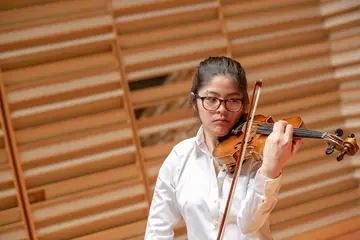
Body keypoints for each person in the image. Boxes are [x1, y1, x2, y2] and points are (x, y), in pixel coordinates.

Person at [144, 56, 303, 240]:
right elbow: (157, 230)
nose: (222, 109)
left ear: (244, 104)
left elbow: (248, 224)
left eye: (233, 100)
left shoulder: (257, 158)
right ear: (195, 101)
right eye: (211, 99)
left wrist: (270, 170)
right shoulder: (179, 159)